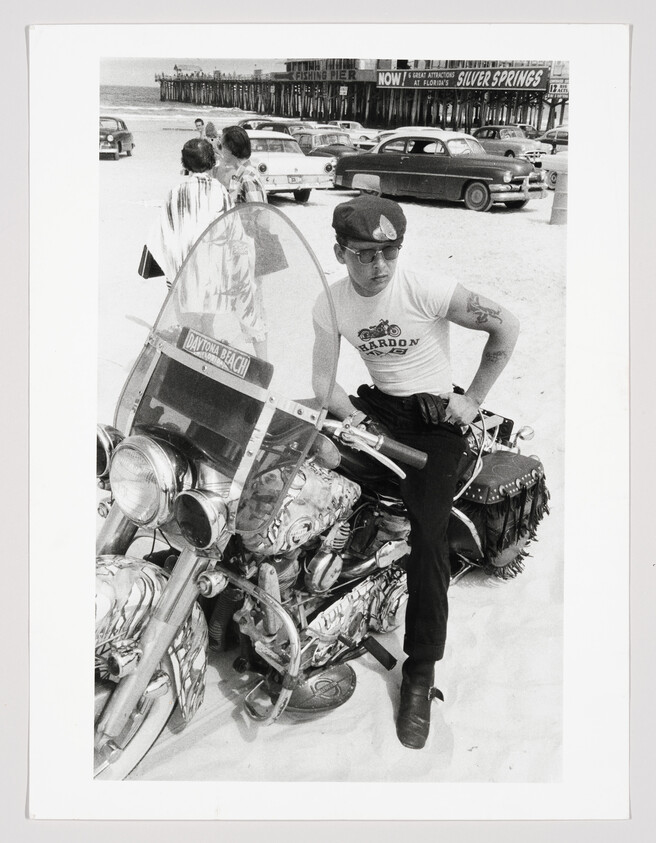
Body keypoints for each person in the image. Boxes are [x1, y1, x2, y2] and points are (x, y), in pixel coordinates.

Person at [311, 195, 520, 750]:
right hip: (377, 410)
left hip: (434, 420)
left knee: (429, 535)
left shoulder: (425, 287)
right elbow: (323, 385)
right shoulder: (330, 304)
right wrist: (350, 419)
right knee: (304, 459)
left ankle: (421, 671)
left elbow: (507, 328)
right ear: (339, 252)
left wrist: (471, 400)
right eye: (364, 255)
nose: (379, 266)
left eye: (389, 252)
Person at [147, 138, 267, 357]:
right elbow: (233, 232)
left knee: (188, 330)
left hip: (183, 276)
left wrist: (172, 269)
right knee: (207, 327)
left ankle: (193, 371)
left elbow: (160, 237)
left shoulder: (175, 192)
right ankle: (207, 367)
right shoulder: (219, 192)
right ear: (212, 162)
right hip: (213, 277)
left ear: (185, 164)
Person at [213, 125, 268, 205]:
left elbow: (259, 213)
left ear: (231, 149)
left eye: (221, 146)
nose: (220, 151)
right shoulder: (240, 174)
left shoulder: (247, 178)